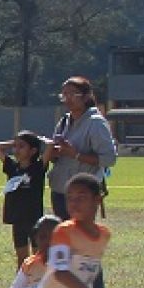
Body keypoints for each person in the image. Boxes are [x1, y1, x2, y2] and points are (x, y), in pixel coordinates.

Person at [47, 77, 117, 222]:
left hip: (82, 194)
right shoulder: (64, 121)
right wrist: (53, 152)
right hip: (60, 189)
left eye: (72, 94)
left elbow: (109, 159)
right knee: (63, 238)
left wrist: (76, 154)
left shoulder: (96, 123)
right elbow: (58, 155)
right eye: (64, 95)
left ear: (86, 97)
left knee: (79, 238)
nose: (67, 99)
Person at [0, 130, 47, 262]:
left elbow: (50, 147)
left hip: (34, 218)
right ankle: (22, 281)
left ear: (33, 151)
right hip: (17, 218)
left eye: (21, 146)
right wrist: (16, 142)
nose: (16, 150)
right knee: (22, 258)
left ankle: (38, 282)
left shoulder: (38, 167)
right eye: (15, 146)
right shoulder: (12, 167)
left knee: (38, 258)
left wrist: (38, 139)